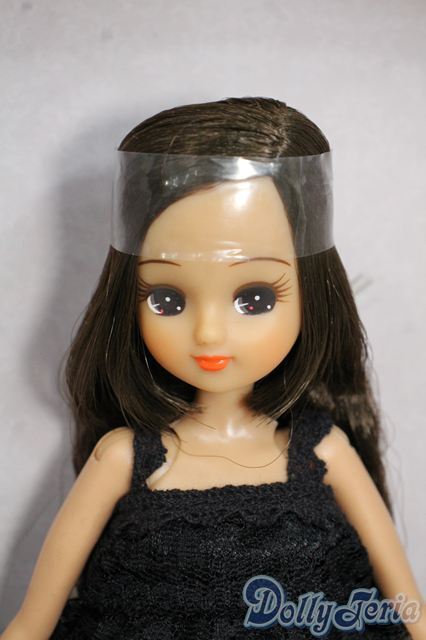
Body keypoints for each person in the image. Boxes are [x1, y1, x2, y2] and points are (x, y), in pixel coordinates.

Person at [2, 97, 424, 639]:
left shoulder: (324, 452)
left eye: (254, 298)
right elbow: (31, 624)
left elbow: (409, 611)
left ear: (313, 296)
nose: (207, 333)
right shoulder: (124, 458)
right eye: (167, 300)